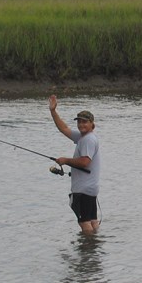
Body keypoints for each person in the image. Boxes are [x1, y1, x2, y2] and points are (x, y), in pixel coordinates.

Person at [48, 95, 101, 234]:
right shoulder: (83, 137)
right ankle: (95, 247)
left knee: (84, 223)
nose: (81, 125)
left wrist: (65, 160)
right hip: (89, 188)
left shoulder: (88, 139)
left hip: (84, 189)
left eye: (85, 122)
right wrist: (53, 111)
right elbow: (64, 128)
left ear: (92, 124)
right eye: (79, 122)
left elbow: (84, 162)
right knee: (92, 221)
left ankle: (87, 251)